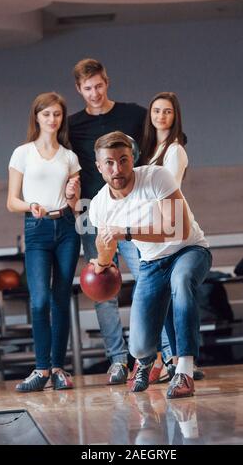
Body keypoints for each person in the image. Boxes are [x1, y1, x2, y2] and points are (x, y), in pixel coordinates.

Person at [88, 131, 212, 398]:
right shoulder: (98, 205)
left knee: (181, 281)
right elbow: (107, 248)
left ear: (132, 158)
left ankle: (184, 371)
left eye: (123, 160)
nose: (117, 168)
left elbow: (179, 229)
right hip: (152, 263)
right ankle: (144, 362)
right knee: (141, 346)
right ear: (99, 167)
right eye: (109, 162)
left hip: (189, 250)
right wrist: (100, 263)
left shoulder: (157, 176)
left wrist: (127, 232)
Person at [68, 58, 147, 384]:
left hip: (132, 212)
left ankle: (158, 357)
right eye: (88, 88)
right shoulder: (72, 126)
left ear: (107, 82)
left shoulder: (134, 114)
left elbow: (157, 152)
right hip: (92, 215)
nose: (95, 93)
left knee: (148, 279)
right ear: (79, 89)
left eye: (99, 85)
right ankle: (117, 361)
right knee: (103, 289)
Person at [7, 92, 81, 392]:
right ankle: (40, 369)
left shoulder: (69, 157)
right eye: (46, 114)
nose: (52, 119)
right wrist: (32, 205)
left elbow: (76, 204)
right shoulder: (22, 153)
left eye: (57, 114)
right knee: (39, 301)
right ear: (36, 116)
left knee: (61, 298)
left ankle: (58, 367)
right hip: (36, 227)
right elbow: (12, 201)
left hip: (66, 227)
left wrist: (74, 194)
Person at [140, 91, 204, 382]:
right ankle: (175, 360)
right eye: (156, 111)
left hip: (178, 236)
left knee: (179, 286)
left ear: (175, 116)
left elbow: (169, 190)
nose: (161, 116)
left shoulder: (175, 150)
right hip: (158, 242)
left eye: (167, 111)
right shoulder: (150, 149)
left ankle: (186, 362)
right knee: (162, 297)